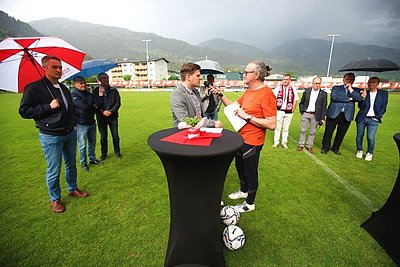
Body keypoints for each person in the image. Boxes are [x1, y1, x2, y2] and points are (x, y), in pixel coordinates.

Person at [19, 55, 88, 213]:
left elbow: (69, 109)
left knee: (71, 164)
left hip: (69, 133)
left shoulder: (63, 88)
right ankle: (55, 199)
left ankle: (72, 188)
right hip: (51, 135)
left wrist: (74, 124)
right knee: (54, 169)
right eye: (54, 67)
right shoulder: (34, 88)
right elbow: (24, 111)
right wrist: (48, 107)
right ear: (44, 67)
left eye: (60, 67)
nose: (58, 70)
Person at [212, 60, 276, 213]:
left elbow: (272, 124)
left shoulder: (267, 94)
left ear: (257, 75)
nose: (244, 74)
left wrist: (247, 117)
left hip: (254, 141)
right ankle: (243, 191)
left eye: (247, 72)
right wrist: (220, 94)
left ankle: (250, 203)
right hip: (241, 138)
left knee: (250, 171)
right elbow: (234, 107)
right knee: (239, 167)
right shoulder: (249, 91)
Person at [170, 63, 222, 128]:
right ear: (188, 77)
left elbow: (201, 116)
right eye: (198, 76)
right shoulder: (177, 95)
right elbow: (186, 120)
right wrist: (212, 123)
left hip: (199, 132)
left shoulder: (195, 91)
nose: (200, 78)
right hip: (185, 134)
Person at [321, 72, 362, 155]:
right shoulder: (336, 88)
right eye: (347, 79)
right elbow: (334, 97)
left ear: (353, 81)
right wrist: (350, 98)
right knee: (329, 131)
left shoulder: (356, 90)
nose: (348, 81)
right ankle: (325, 147)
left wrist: (351, 90)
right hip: (334, 113)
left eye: (350, 80)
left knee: (341, 133)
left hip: (347, 114)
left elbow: (358, 99)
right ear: (343, 79)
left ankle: (336, 148)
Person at [355, 77, 388, 161]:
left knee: (370, 137)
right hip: (362, 118)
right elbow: (360, 106)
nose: (370, 84)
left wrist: (378, 117)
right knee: (359, 135)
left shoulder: (383, 94)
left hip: (373, 119)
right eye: (369, 82)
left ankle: (370, 152)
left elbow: (383, 107)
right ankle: (359, 150)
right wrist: (362, 98)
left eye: (373, 82)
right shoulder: (365, 92)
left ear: (377, 84)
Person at [72, 76, 101, 171]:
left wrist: (92, 106)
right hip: (81, 124)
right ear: (75, 84)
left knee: (92, 143)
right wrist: (92, 106)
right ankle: (83, 163)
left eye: (84, 83)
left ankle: (92, 159)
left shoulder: (89, 94)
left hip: (91, 122)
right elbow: (84, 107)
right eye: (81, 83)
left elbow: (96, 105)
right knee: (82, 145)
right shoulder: (74, 95)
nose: (83, 85)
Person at [92, 73, 122, 160]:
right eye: (104, 78)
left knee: (115, 135)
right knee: (103, 137)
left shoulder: (113, 90)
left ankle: (117, 152)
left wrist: (111, 111)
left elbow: (118, 103)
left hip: (113, 117)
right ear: (99, 80)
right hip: (101, 118)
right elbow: (95, 104)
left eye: (107, 78)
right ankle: (104, 154)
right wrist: (102, 111)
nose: (106, 80)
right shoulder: (95, 91)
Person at [296, 77, 327, 154]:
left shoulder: (323, 94)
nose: (317, 85)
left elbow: (324, 107)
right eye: (316, 83)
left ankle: (309, 146)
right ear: (312, 83)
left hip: (315, 115)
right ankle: (301, 144)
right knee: (303, 130)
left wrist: (322, 118)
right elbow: (301, 102)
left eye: (319, 83)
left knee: (312, 131)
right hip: (306, 113)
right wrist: (302, 111)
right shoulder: (307, 91)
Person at [272, 74, 299, 149]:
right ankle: (276, 142)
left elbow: (295, 100)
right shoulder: (278, 88)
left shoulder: (293, 89)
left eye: (287, 79)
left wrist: (292, 110)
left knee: (286, 128)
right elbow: (273, 100)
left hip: (289, 112)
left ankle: (284, 142)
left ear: (289, 80)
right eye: (284, 79)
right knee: (278, 127)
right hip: (279, 111)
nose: (285, 81)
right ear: (282, 80)